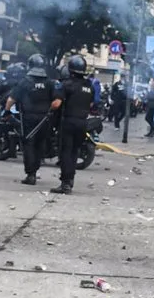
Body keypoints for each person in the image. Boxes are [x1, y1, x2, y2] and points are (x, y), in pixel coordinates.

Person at [5, 54, 59, 186]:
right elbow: (57, 101)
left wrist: (6, 111)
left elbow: (11, 99)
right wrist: (49, 112)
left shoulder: (25, 81)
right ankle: (35, 168)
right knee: (39, 144)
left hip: (28, 118)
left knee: (28, 144)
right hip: (44, 119)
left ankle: (31, 174)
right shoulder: (49, 83)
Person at [51, 55, 96, 195]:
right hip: (82, 122)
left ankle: (65, 184)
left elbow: (57, 103)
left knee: (65, 152)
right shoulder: (89, 86)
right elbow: (91, 104)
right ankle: (70, 181)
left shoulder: (66, 84)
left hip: (68, 122)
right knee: (74, 152)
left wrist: (51, 108)